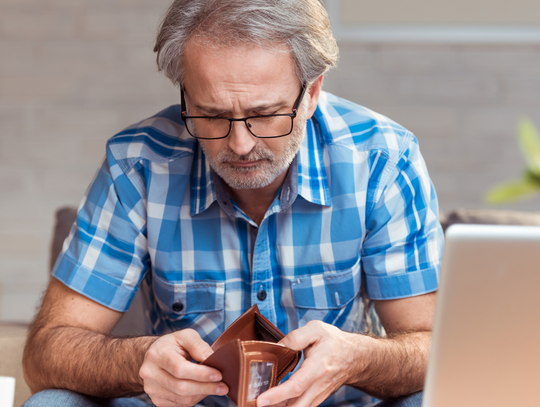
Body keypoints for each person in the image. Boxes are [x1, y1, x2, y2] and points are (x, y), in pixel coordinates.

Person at [22, 1, 443, 406]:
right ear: (186, 95)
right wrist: (138, 362)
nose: (240, 145)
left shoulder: (382, 161)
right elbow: (45, 354)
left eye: (265, 114)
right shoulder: (138, 166)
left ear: (311, 94)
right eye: (212, 114)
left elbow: (435, 345)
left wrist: (358, 357)